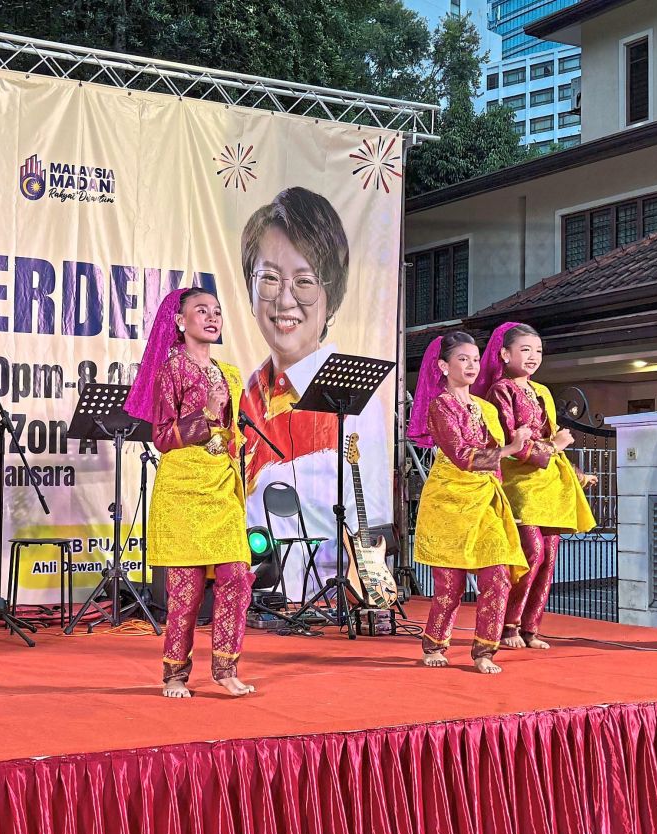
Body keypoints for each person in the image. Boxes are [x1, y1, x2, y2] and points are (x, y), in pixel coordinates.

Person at [239, 187, 391, 600]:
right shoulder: (247, 395)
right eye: (269, 278)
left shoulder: (352, 392)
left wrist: (365, 582)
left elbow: (371, 513)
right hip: (259, 597)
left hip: (326, 594)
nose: (285, 300)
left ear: (331, 295)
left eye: (304, 282)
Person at [124, 287, 256, 699]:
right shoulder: (172, 370)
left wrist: (238, 449)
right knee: (187, 589)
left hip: (221, 485)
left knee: (237, 577)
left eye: (217, 311)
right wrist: (206, 415)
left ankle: (226, 667)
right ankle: (175, 674)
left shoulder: (229, 373)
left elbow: (231, 433)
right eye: (202, 311)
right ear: (180, 322)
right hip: (184, 486)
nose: (213, 317)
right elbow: (162, 437)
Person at [408, 332, 529, 674]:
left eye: (476, 359)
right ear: (444, 366)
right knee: (451, 585)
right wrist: (509, 449)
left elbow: (499, 458)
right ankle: (434, 645)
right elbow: (462, 456)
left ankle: (484, 650)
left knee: (499, 577)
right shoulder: (440, 406)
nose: (472, 365)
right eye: (463, 359)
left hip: (485, 497)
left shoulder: (487, 409)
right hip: (449, 500)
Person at [474, 321, 597, 650]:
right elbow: (510, 445)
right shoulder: (500, 391)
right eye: (525, 350)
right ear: (504, 354)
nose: (533, 357)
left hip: (550, 486)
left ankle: (531, 627)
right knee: (532, 552)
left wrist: (575, 472)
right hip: (520, 483)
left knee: (550, 557)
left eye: (538, 351)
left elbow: (552, 437)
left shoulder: (542, 392)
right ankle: (507, 624)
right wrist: (554, 447)